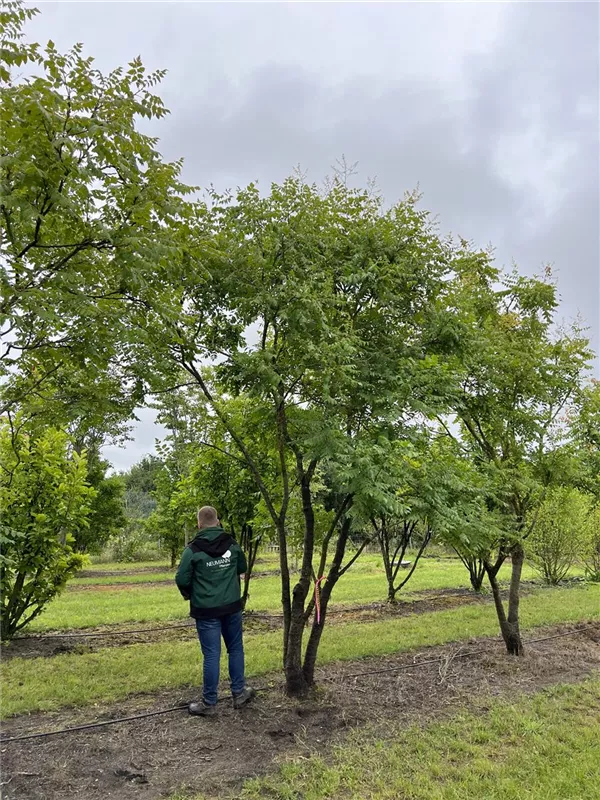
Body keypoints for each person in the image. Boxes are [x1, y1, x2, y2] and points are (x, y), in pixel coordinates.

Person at [175, 506, 255, 716]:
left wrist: (190, 593)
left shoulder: (192, 550)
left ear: (199, 524)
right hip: (231, 607)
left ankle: (210, 703)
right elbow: (242, 567)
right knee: (235, 648)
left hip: (206, 610)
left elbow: (181, 578)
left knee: (211, 654)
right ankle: (239, 693)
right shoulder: (232, 544)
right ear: (218, 522)